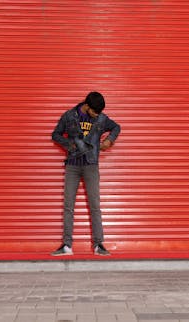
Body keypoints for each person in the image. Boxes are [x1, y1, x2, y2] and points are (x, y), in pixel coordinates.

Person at [51, 92, 121, 256]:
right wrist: (70, 145)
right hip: (73, 166)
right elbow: (55, 134)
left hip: (91, 165)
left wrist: (109, 139)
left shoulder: (101, 119)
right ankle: (67, 246)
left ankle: (98, 245)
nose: (98, 115)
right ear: (87, 106)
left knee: (95, 206)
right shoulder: (69, 116)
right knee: (68, 206)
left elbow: (116, 127)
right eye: (95, 112)